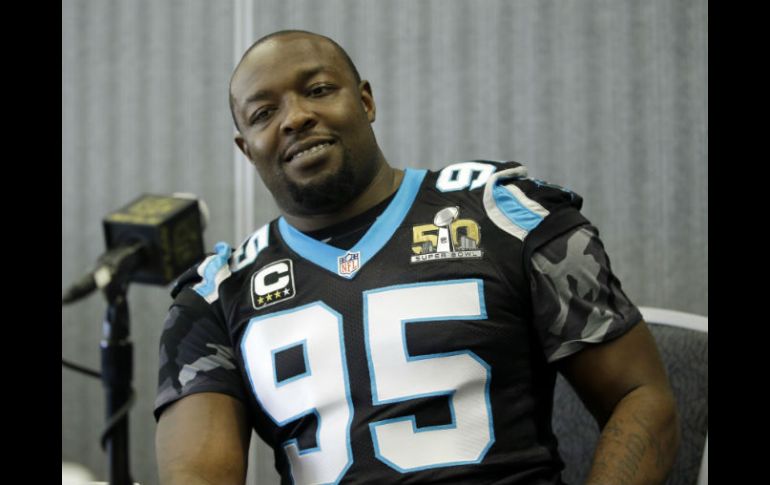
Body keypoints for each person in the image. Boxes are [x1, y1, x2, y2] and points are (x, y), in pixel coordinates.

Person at [154, 30, 680, 485]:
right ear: (246, 147)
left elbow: (640, 396)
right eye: (264, 113)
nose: (296, 118)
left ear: (365, 101)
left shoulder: (507, 215)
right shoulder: (216, 295)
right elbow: (197, 475)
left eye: (318, 90)